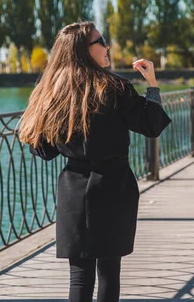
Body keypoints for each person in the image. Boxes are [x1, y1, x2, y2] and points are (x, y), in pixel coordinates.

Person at [18, 22, 171, 302]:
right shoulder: (115, 88)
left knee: (79, 275)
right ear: (83, 50)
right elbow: (152, 125)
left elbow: (42, 150)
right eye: (101, 41)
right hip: (114, 188)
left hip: (73, 192)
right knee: (109, 271)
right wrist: (152, 84)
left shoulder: (55, 94)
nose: (107, 46)